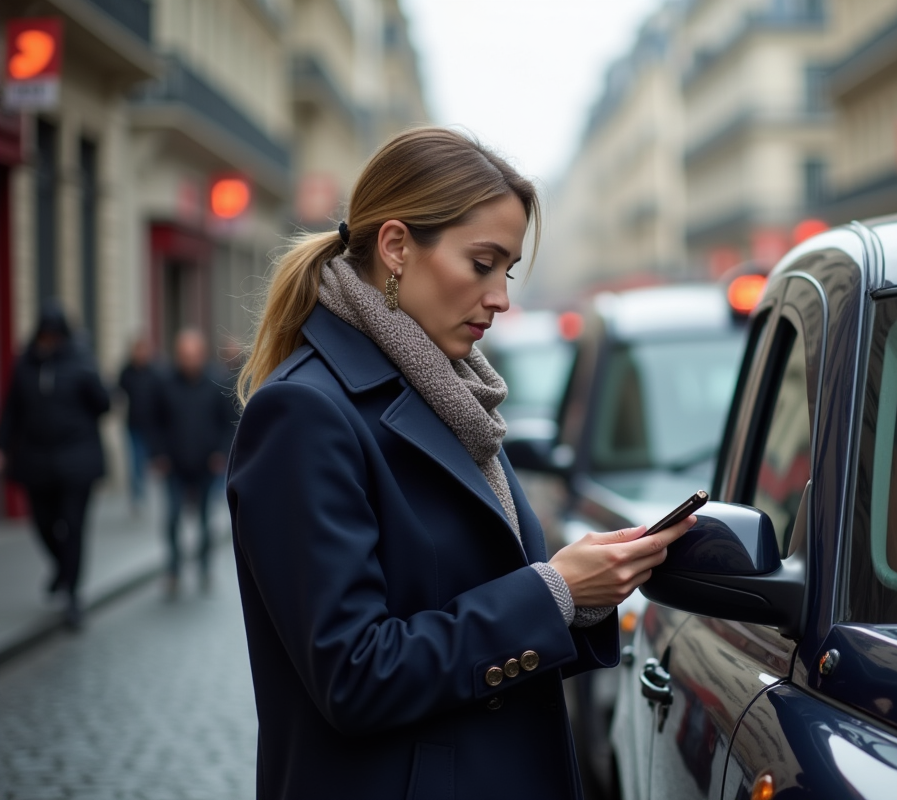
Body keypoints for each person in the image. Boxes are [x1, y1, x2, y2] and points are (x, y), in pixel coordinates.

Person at [227, 127, 694, 799]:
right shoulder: (305, 414)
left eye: (507, 270)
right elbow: (353, 674)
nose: (501, 297)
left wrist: (583, 593)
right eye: (483, 263)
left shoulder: (451, 395)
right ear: (395, 248)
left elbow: (469, 603)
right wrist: (554, 592)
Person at [0, 302, 110, 628]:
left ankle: (72, 597)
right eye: (44, 335)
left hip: (77, 459)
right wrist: (3, 447)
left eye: (54, 335)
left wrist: (93, 375)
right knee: (43, 523)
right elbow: (12, 411)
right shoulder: (24, 365)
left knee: (73, 527)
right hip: (37, 459)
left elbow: (103, 404)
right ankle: (63, 568)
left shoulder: (81, 362)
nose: (48, 341)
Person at [151, 329, 236, 596]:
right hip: (174, 464)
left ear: (202, 355)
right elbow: (154, 423)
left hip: (205, 464)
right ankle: (174, 570)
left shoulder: (217, 382)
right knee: (173, 517)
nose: (189, 361)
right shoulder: (165, 384)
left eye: (193, 355)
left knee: (203, 521)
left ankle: (204, 567)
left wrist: (222, 453)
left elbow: (229, 423)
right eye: (184, 355)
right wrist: (159, 454)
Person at [117, 335, 159, 514]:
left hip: (150, 425)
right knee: (135, 461)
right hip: (133, 424)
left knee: (144, 461)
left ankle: (142, 492)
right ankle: (137, 496)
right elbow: (118, 391)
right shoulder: (127, 371)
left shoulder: (154, 372)